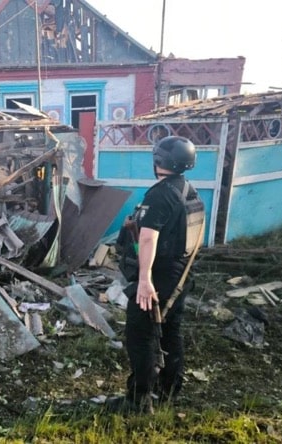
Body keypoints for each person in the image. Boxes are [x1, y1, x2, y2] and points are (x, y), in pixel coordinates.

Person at [110, 135, 205, 414]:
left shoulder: (161, 194)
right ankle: (169, 391)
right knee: (170, 332)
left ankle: (138, 400)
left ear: (159, 161)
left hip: (158, 276)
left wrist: (144, 280)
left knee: (140, 336)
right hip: (180, 273)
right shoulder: (188, 191)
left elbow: (149, 238)